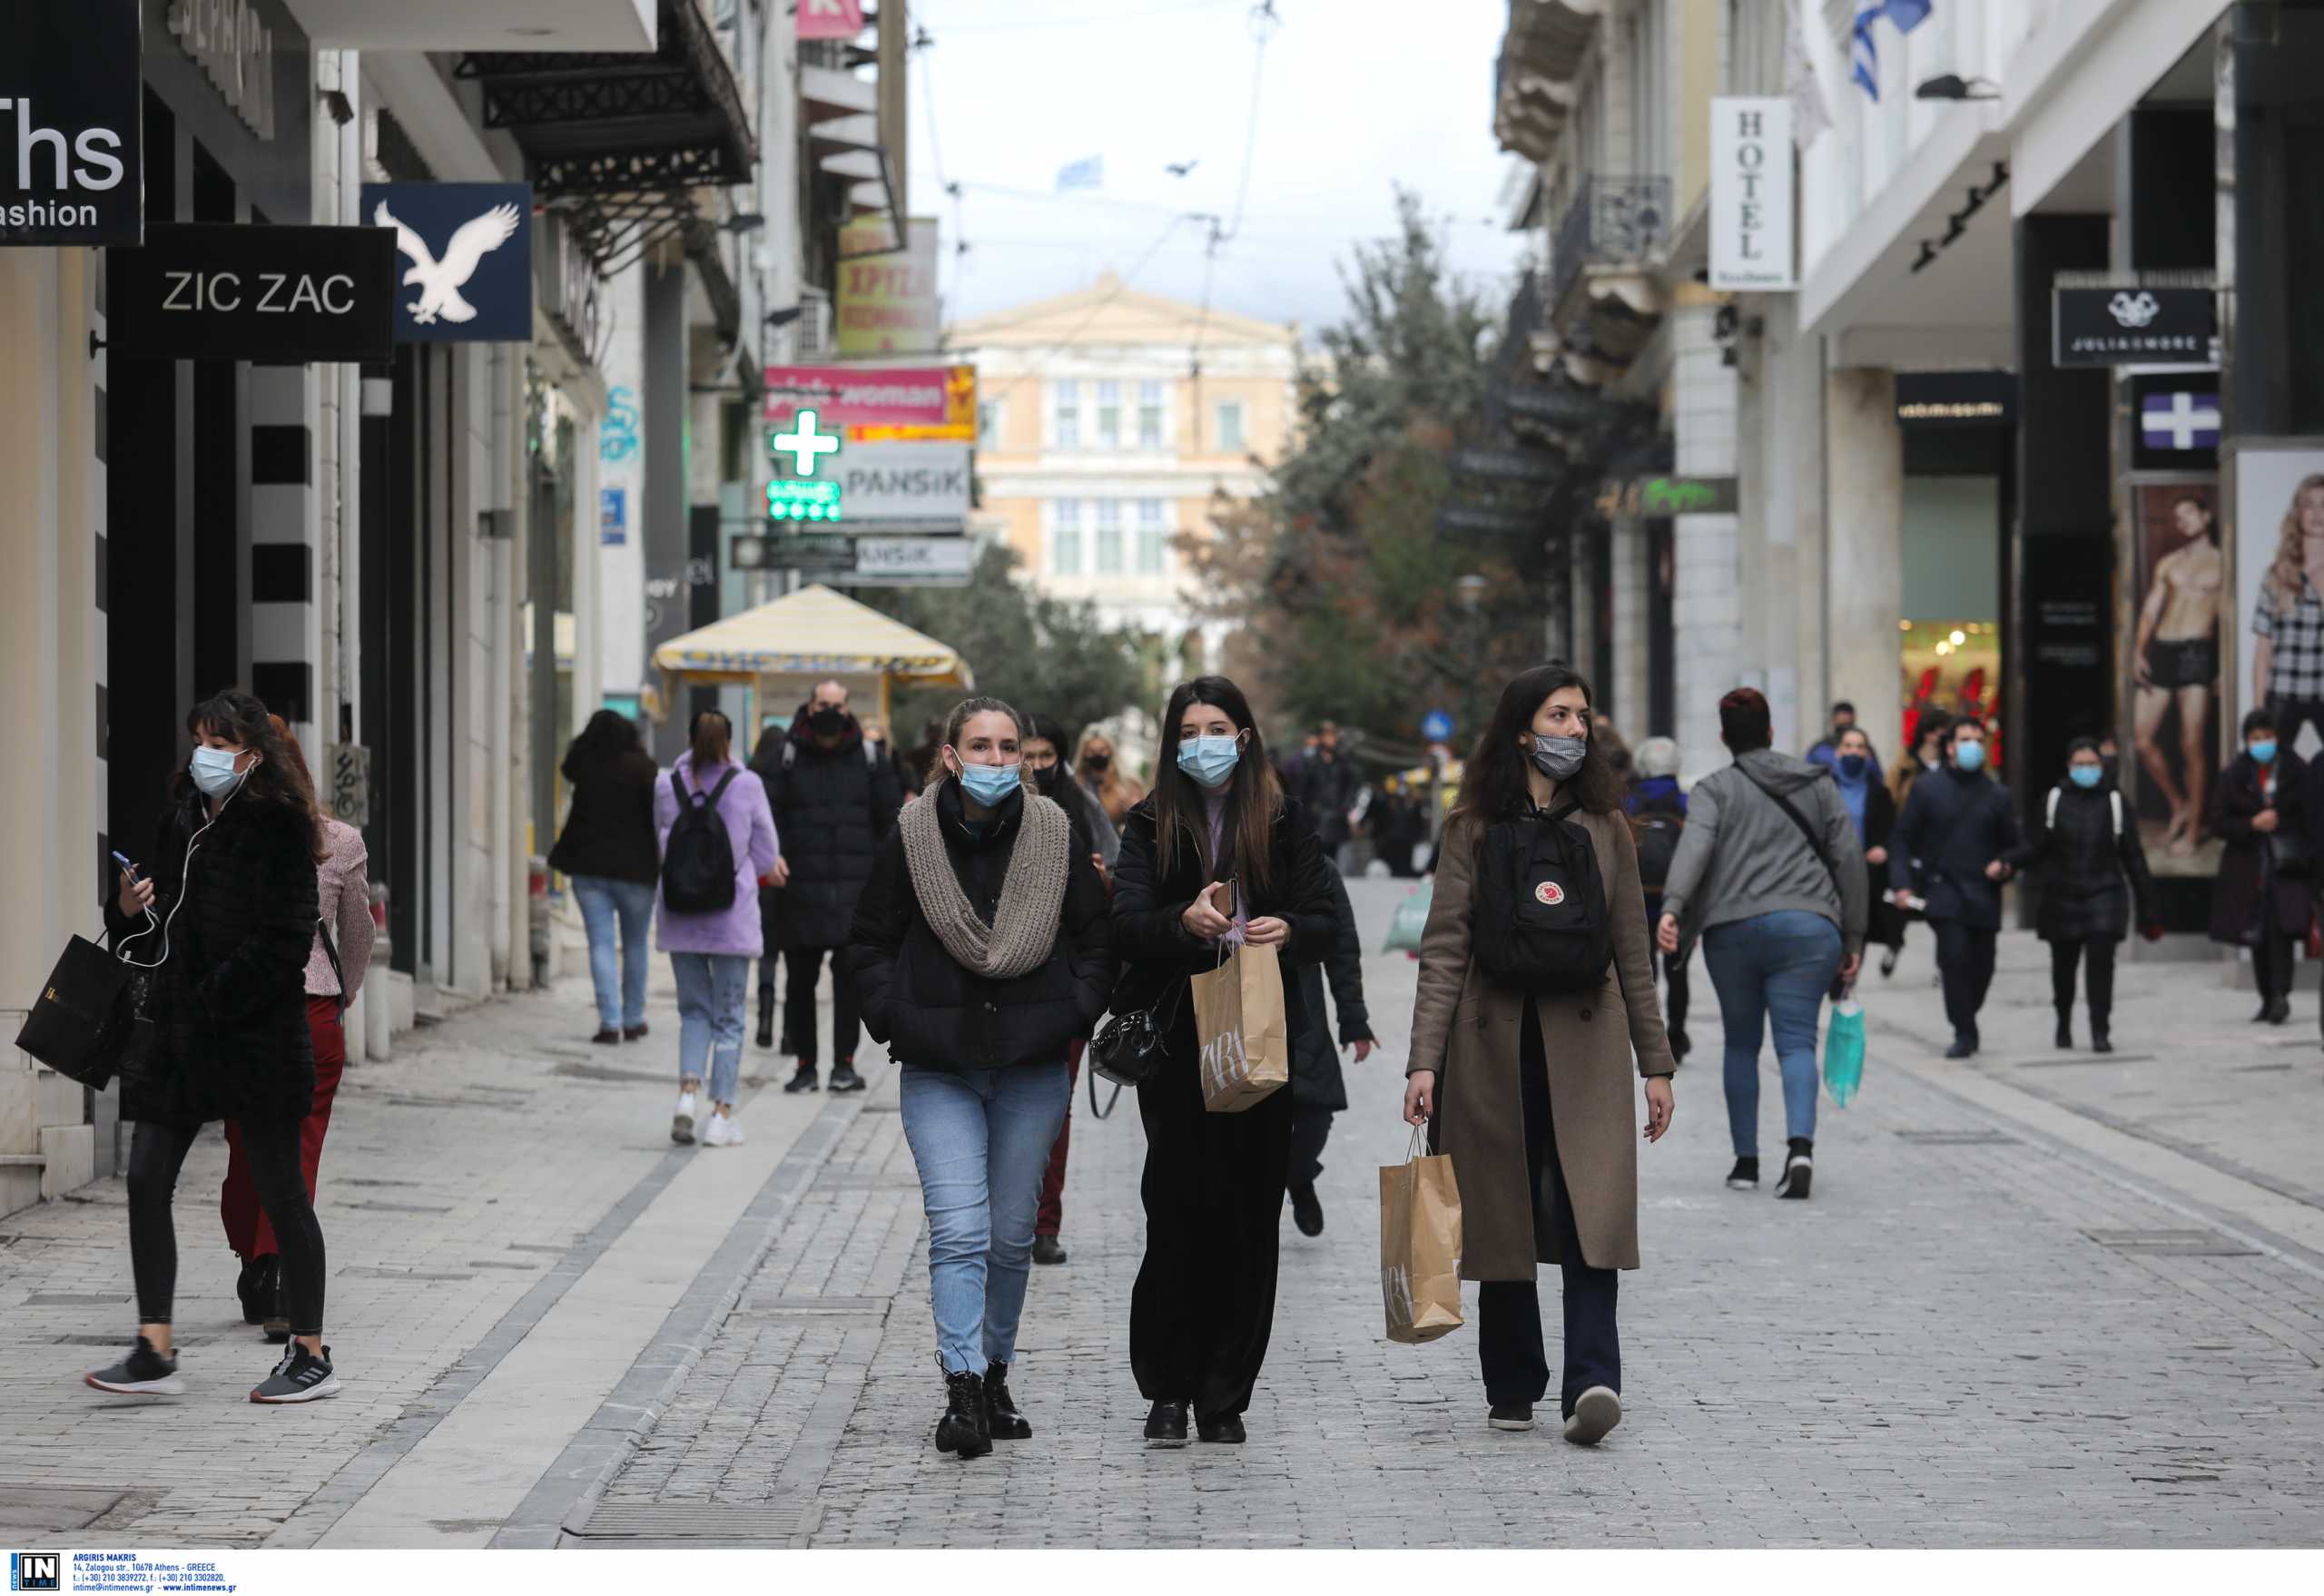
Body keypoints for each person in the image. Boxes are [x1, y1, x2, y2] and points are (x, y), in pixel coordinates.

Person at [1404, 664, 1676, 1443]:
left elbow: (1632, 952)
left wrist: (1654, 1065)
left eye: (1582, 717)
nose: (1575, 730)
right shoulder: (1470, 828)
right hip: (1491, 1046)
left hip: (1586, 1047)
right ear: (1524, 729)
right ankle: (1514, 1383)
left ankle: (1594, 1382)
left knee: (1592, 1211)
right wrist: (1425, 1062)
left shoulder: (1607, 829)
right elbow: (1445, 950)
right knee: (1502, 1212)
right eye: (1560, 716)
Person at [848, 696, 1114, 1459]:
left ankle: (996, 1371)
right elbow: (868, 938)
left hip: (1032, 1064)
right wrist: (893, 1015)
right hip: (939, 1064)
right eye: (982, 746)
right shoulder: (911, 838)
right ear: (952, 756)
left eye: (1010, 747)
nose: (998, 760)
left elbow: (1098, 940)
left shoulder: (1055, 837)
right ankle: (961, 1388)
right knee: (959, 1230)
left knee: (1007, 1238)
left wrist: (1075, 1010)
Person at [93, 689, 339, 1404]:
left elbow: (286, 941)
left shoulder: (282, 830)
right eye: (198, 738)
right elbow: (158, 923)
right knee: (145, 1179)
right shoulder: (183, 819)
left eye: (219, 742)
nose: (204, 754)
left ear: (252, 756)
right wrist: (130, 906)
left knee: (281, 1195)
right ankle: (154, 1344)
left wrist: (212, 999)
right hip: (179, 1040)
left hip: (254, 1037)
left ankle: (311, 1350)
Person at [1113, 676, 1337, 1446]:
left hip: (1261, 1030)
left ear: (1243, 737)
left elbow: (1327, 918)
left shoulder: (1281, 818)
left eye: (1218, 727)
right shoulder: (1148, 822)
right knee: (1177, 1209)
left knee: (1250, 1216)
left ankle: (1225, 1394)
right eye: (1190, 729)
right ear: (1173, 742)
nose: (1203, 742)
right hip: (1178, 1037)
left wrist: (1286, 928)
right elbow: (1126, 924)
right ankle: (1168, 1388)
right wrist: (1184, 921)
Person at [1657, 687, 1864, 1200]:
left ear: (1725, 738)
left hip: (1733, 931)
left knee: (1742, 1044)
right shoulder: (1817, 784)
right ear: (1772, 732)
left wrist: (1673, 908)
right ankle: (1799, 1149)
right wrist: (1854, 934)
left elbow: (1694, 849)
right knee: (1797, 1042)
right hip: (1810, 927)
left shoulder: (1714, 789)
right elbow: (1849, 859)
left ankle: (1745, 1163)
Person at [220, 717, 374, 1345]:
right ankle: (269, 1266)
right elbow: (360, 934)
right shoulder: (337, 841)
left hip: (254, 1012)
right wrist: (345, 997)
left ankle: (270, 1268)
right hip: (307, 1013)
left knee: (246, 1150)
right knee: (291, 1149)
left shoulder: (228, 837)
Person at [752, 679, 902, 1093]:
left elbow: (890, 820)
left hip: (855, 895)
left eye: (837, 703)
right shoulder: (786, 756)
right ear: (809, 705)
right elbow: (766, 814)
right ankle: (804, 1066)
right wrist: (772, 856)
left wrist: (881, 875)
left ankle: (844, 1065)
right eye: (823, 703)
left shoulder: (870, 758)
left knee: (850, 985)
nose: (830, 710)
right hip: (799, 893)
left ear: (848, 707)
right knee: (799, 984)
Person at [657, 709, 780, 1146]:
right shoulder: (747, 785)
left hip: (681, 915)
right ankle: (720, 1116)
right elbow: (766, 855)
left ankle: (686, 1097)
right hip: (731, 918)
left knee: (693, 1012)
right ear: (729, 741)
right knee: (729, 1019)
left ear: (690, 739)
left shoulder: (665, 784)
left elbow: (662, 843)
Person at [1019, 711, 1110, 1267]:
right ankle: (1005, 1217)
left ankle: (1044, 1223)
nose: (1033, 767)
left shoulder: (1084, 810)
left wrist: (1101, 878)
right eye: (1023, 756)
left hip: (1066, 986)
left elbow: (1120, 892)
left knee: (1055, 1110)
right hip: (1003, 988)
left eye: (1044, 757)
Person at [2008, 738, 2160, 1051]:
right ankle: (2063, 1023)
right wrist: (2006, 862)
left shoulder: (2116, 802)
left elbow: (2133, 856)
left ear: (2101, 767)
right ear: (2069, 766)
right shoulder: (2053, 801)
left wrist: (2148, 906)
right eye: (2080, 765)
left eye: (2092, 764)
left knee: (2101, 966)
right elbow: (2036, 847)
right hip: (2061, 896)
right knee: (2063, 967)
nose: (2086, 770)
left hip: (2104, 893)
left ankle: (2100, 1030)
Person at [1886, 716, 2023, 1059]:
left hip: (1984, 893)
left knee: (1983, 966)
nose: (1972, 746)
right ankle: (1963, 1030)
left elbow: (2016, 845)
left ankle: (1967, 1015)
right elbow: (1902, 839)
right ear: (1949, 747)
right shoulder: (1927, 788)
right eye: (1965, 739)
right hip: (1943, 890)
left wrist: (2004, 864)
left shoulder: (1997, 794)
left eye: (1978, 739)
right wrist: (1901, 884)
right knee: (1954, 958)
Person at [550, 709, 662, 1044]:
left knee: (599, 944)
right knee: (636, 944)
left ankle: (609, 1022)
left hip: (589, 870)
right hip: (637, 871)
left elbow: (568, 767)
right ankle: (633, 1017)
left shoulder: (586, 766)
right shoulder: (644, 769)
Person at [2133, 492, 2223, 858]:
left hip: (2196, 653)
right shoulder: (2169, 563)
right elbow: (2151, 610)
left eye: (2188, 513)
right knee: (2142, 739)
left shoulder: (2222, 562)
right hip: (2163, 650)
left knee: (2191, 743)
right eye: (2177, 517)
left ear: (2205, 516)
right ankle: (2179, 803)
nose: (2182, 521)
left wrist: (2224, 668)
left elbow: (2229, 618)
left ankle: (2195, 827)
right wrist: (2138, 651)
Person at [1285, 867, 1373, 1238]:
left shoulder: (1312, 861)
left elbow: (1342, 945)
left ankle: (1298, 1176)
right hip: (1229, 1008)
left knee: (1316, 1113)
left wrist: (1353, 1020)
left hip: (1302, 1011)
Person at [2210, 709, 2308, 1025]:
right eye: (2256, 738)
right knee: (2256, 934)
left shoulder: (2296, 770)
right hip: (2248, 865)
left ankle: (2281, 995)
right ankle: (2266, 997)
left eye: (2267, 737)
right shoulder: (2234, 775)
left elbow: (2310, 815)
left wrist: (2282, 823)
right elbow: (2218, 823)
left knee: (2282, 933)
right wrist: (2252, 824)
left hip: (2286, 863)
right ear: (2246, 741)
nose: (2262, 743)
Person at [1626, 735, 1690, 1059]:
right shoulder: (1684, 802)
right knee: (1677, 971)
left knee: (1645, 974)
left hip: (1637, 900)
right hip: (1676, 902)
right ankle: (1676, 1037)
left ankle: (1647, 1043)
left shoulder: (1630, 802)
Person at [2251, 474, 2324, 758]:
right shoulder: (2277, 574)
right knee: (2270, 768)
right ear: (2298, 514)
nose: (2318, 513)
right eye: (2310, 505)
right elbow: (2263, 650)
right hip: (2282, 691)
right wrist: (2258, 707)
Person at [1831, 726, 1907, 985]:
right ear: (1838, 751)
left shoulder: (1879, 792)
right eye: (1848, 746)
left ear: (1868, 753)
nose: (1854, 752)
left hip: (1865, 878)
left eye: (1860, 747)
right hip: (1829, 876)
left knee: (1856, 935)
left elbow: (1892, 831)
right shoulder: (1823, 789)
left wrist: (1882, 848)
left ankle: (1846, 989)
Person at [1289, 720, 1361, 866]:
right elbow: (1302, 787)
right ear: (1321, 737)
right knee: (1315, 852)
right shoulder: (1310, 761)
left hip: (1336, 813)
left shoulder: (1342, 762)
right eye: (1328, 736)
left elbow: (1351, 786)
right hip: (1316, 815)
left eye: (1333, 736)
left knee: (1332, 853)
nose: (1332, 740)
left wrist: (1347, 805)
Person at [1077, 729, 1145, 829]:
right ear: (1084, 753)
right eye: (1091, 751)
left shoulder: (1128, 785)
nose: (1097, 755)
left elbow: (1143, 822)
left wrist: (1134, 810)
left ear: (1110, 751)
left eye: (1102, 750)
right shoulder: (1076, 784)